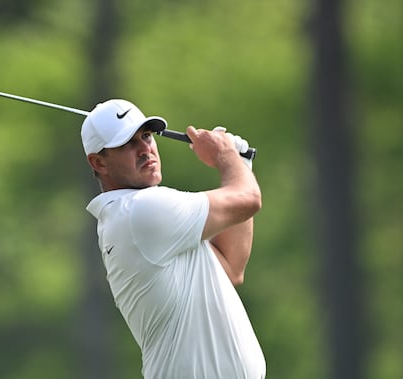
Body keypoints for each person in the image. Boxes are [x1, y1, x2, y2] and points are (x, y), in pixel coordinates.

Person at [81, 99, 265, 379]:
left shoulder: (143, 218)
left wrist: (240, 165)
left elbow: (231, 266)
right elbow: (249, 199)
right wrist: (225, 156)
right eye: (127, 143)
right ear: (98, 162)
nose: (144, 149)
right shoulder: (140, 211)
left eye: (146, 136)